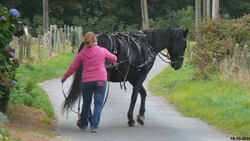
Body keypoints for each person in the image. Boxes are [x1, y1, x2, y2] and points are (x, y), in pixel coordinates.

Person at [61, 31, 117, 132]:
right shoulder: (102, 50)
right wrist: (112, 61)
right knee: (98, 104)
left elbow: (73, 67)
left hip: (87, 82)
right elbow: (114, 58)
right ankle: (94, 126)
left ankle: (84, 123)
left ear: (85, 42)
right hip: (100, 81)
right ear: (95, 40)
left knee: (86, 103)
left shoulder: (82, 53)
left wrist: (64, 78)